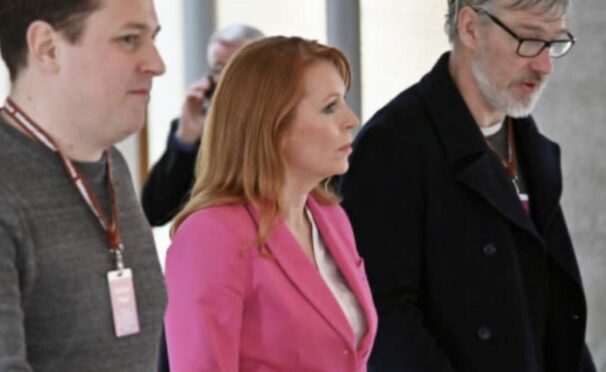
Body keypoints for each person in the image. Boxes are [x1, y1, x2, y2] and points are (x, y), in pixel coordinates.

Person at [340, 0, 596, 371]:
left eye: (554, 43)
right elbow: (385, 315)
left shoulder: (533, 149)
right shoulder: (392, 145)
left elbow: (553, 311)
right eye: (527, 39)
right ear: (470, 28)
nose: (545, 65)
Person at [164, 36, 377, 371]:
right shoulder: (210, 235)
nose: (351, 120)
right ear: (273, 126)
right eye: (330, 107)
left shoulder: (332, 218)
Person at [0, 0, 166, 370]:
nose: (157, 64)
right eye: (128, 40)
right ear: (47, 47)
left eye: (152, 39)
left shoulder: (111, 167)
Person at [141, 24, 264, 226]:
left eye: (238, 67)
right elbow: (154, 211)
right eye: (219, 69)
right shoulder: (195, 128)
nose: (227, 79)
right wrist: (186, 139)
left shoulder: (293, 126)